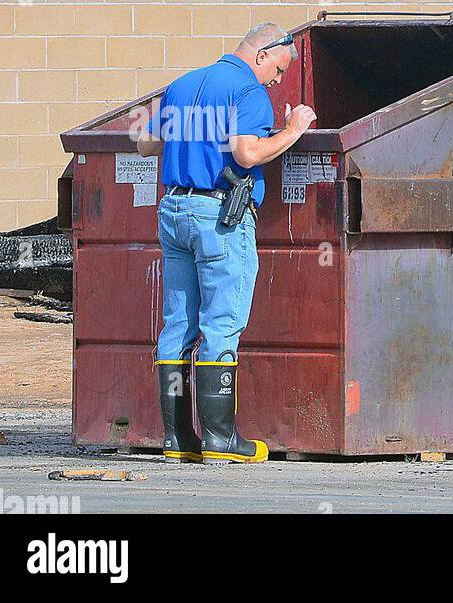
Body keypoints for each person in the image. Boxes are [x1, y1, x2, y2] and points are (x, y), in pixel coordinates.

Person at [136, 23, 317, 464]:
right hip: (219, 217)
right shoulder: (248, 90)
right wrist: (293, 129)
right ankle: (220, 439)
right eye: (278, 70)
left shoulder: (180, 84)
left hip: (174, 209)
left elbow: (143, 145)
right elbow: (247, 154)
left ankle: (178, 439)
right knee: (222, 320)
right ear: (262, 55)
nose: (277, 81)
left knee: (178, 324)